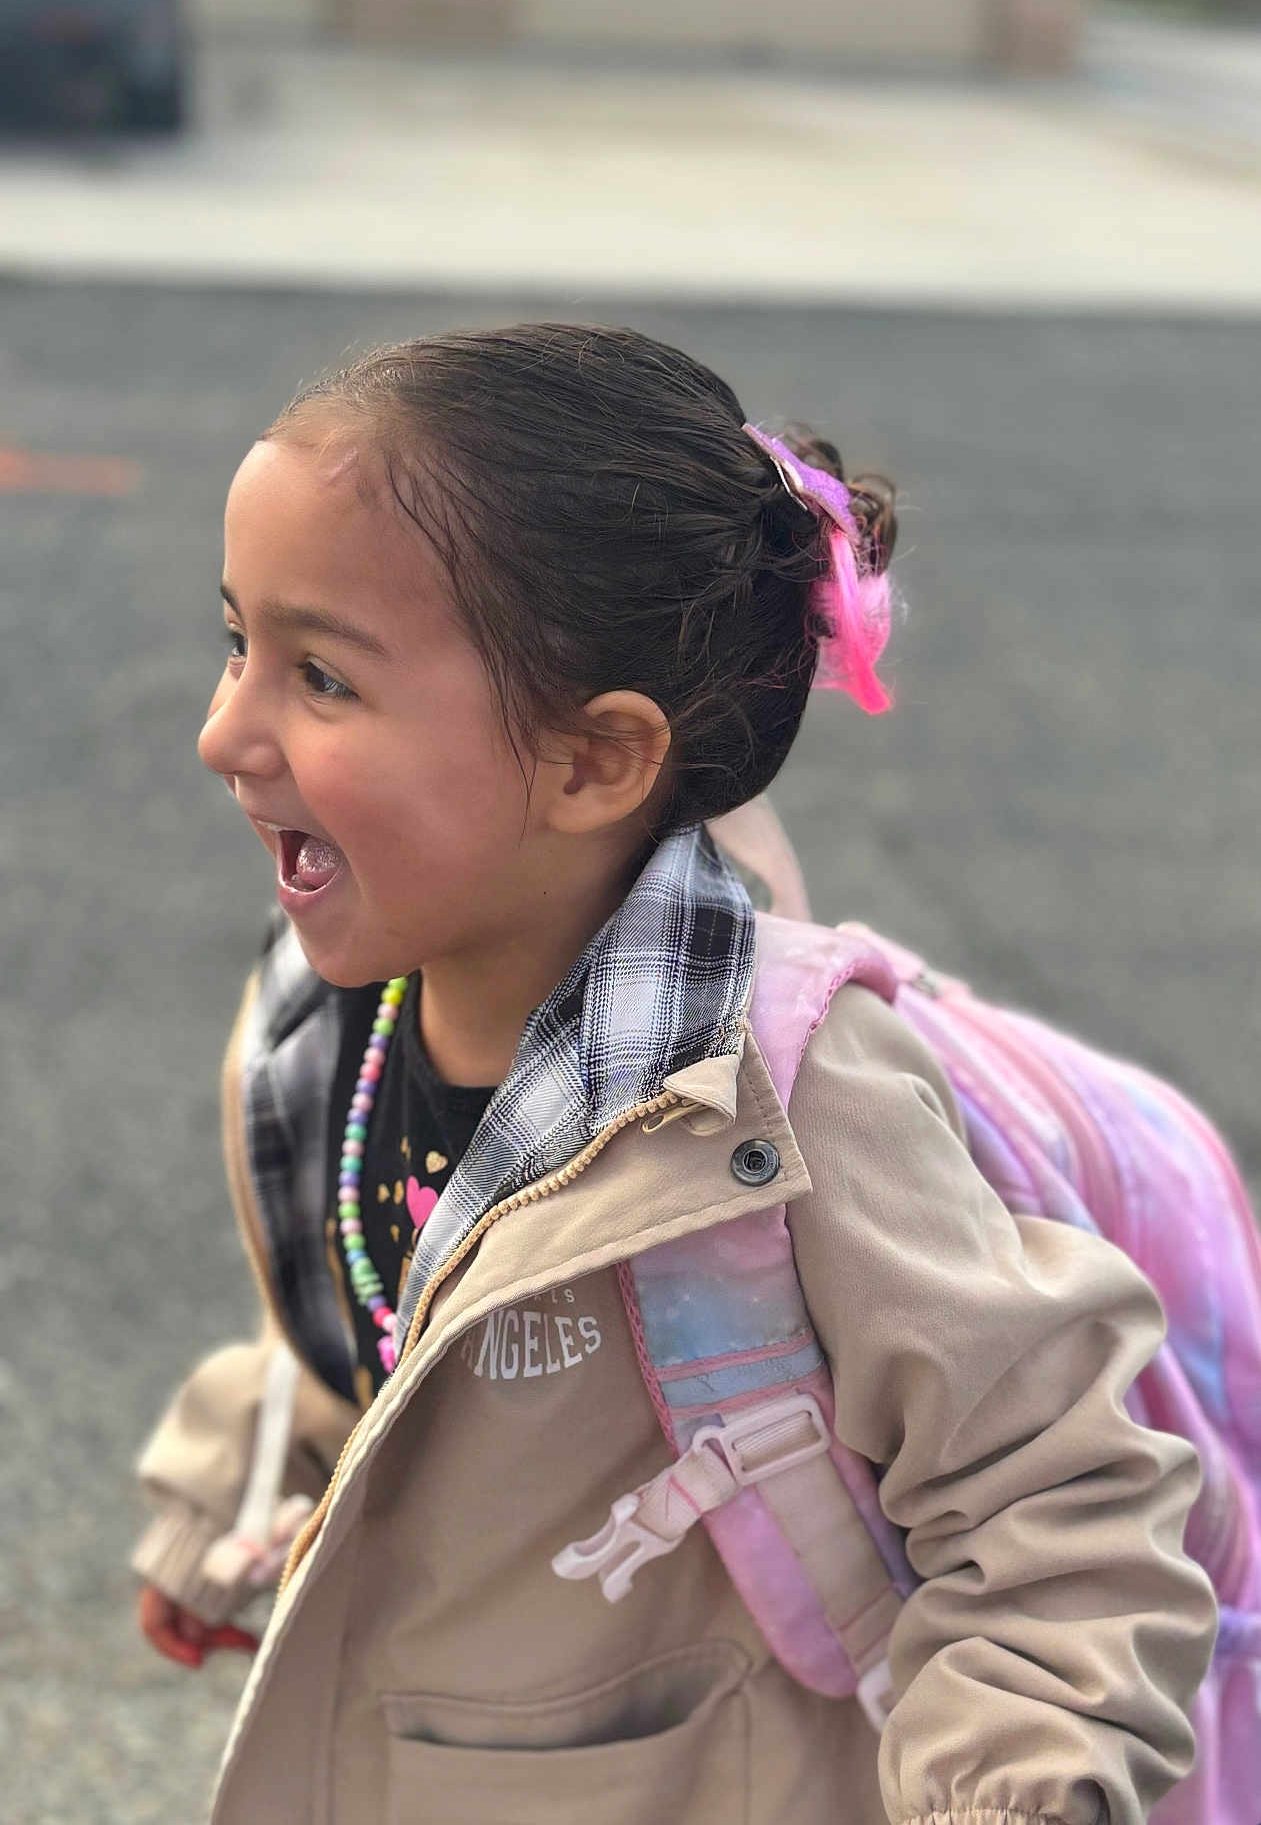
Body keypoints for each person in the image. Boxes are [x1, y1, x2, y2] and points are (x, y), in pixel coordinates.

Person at [133, 323, 1215, 1824]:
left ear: (592, 762)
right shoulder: (335, 1017)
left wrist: (1006, 1792)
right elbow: (399, 1308)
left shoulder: (783, 1094)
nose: (221, 730)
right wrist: (219, 1501)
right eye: (235, 640)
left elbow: (1053, 1502)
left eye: (319, 676)